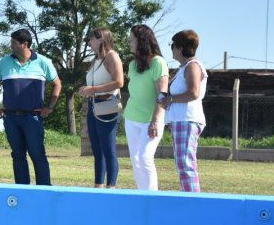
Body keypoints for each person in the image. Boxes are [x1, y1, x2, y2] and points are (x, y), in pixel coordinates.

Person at [0, 29, 61, 185]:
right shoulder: (4, 62)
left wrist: (50, 107)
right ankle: (23, 190)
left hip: (33, 118)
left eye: (14, 43)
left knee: (37, 154)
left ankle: (44, 190)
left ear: (25, 44)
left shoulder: (43, 62)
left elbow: (57, 84)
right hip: (11, 118)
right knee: (18, 155)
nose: (11, 46)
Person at [123, 24, 169, 190]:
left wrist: (156, 120)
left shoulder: (158, 63)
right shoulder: (132, 65)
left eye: (132, 39)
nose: (129, 42)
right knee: (135, 159)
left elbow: (162, 94)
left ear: (141, 41)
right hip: (131, 118)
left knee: (144, 157)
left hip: (151, 120)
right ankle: (141, 195)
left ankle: (152, 197)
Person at [162, 30, 207, 192]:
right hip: (181, 120)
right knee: (182, 162)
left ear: (180, 48)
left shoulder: (192, 66)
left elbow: (193, 93)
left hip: (187, 119)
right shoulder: (184, 67)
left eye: (172, 45)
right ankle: (189, 196)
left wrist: (171, 100)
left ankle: (193, 201)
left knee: (185, 162)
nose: (171, 49)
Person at [79, 28, 125, 188]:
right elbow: (96, 82)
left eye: (91, 39)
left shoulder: (112, 56)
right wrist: (87, 89)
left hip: (107, 106)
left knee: (108, 149)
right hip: (93, 106)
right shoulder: (96, 59)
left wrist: (93, 89)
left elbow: (119, 82)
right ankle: (98, 187)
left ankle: (111, 187)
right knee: (97, 150)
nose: (89, 42)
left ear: (100, 39)